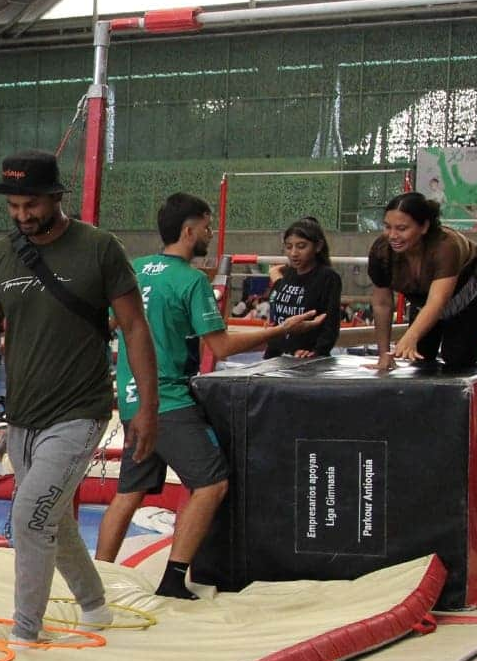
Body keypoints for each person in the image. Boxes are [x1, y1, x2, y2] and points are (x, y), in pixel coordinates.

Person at [0, 148, 159, 644]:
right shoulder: (2, 256)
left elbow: (135, 328)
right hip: (22, 417)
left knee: (28, 517)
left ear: (55, 196)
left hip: (79, 413)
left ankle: (25, 635)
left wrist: (144, 408)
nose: (23, 217)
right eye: (14, 208)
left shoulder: (99, 248)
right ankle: (93, 604)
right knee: (51, 517)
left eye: (32, 207)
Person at [93, 193, 325, 598]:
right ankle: (172, 578)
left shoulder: (135, 269)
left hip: (132, 400)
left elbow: (111, 322)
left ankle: (95, 580)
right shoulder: (191, 280)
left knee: (128, 493)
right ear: (188, 231)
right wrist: (281, 330)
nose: (209, 234)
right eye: (206, 227)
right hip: (167, 401)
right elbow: (219, 347)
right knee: (212, 483)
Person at [370, 192, 477, 371]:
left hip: (472, 292)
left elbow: (437, 302)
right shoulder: (381, 251)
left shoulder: (446, 246)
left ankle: (470, 346)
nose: (392, 235)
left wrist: (411, 336)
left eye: (401, 228)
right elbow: (382, 303)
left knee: (456, 356)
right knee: (422, 354)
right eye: (387, 227)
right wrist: (383, 354)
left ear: (424, 227)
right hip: (425, 298)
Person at [265, 217, 341, 359]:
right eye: (288, 247)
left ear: (318, 246)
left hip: (304, 357)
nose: (293, 253)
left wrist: (317, 351)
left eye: (301, 246)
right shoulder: (289, 274)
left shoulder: (327, 277)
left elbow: (331, 323)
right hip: (275, 353)